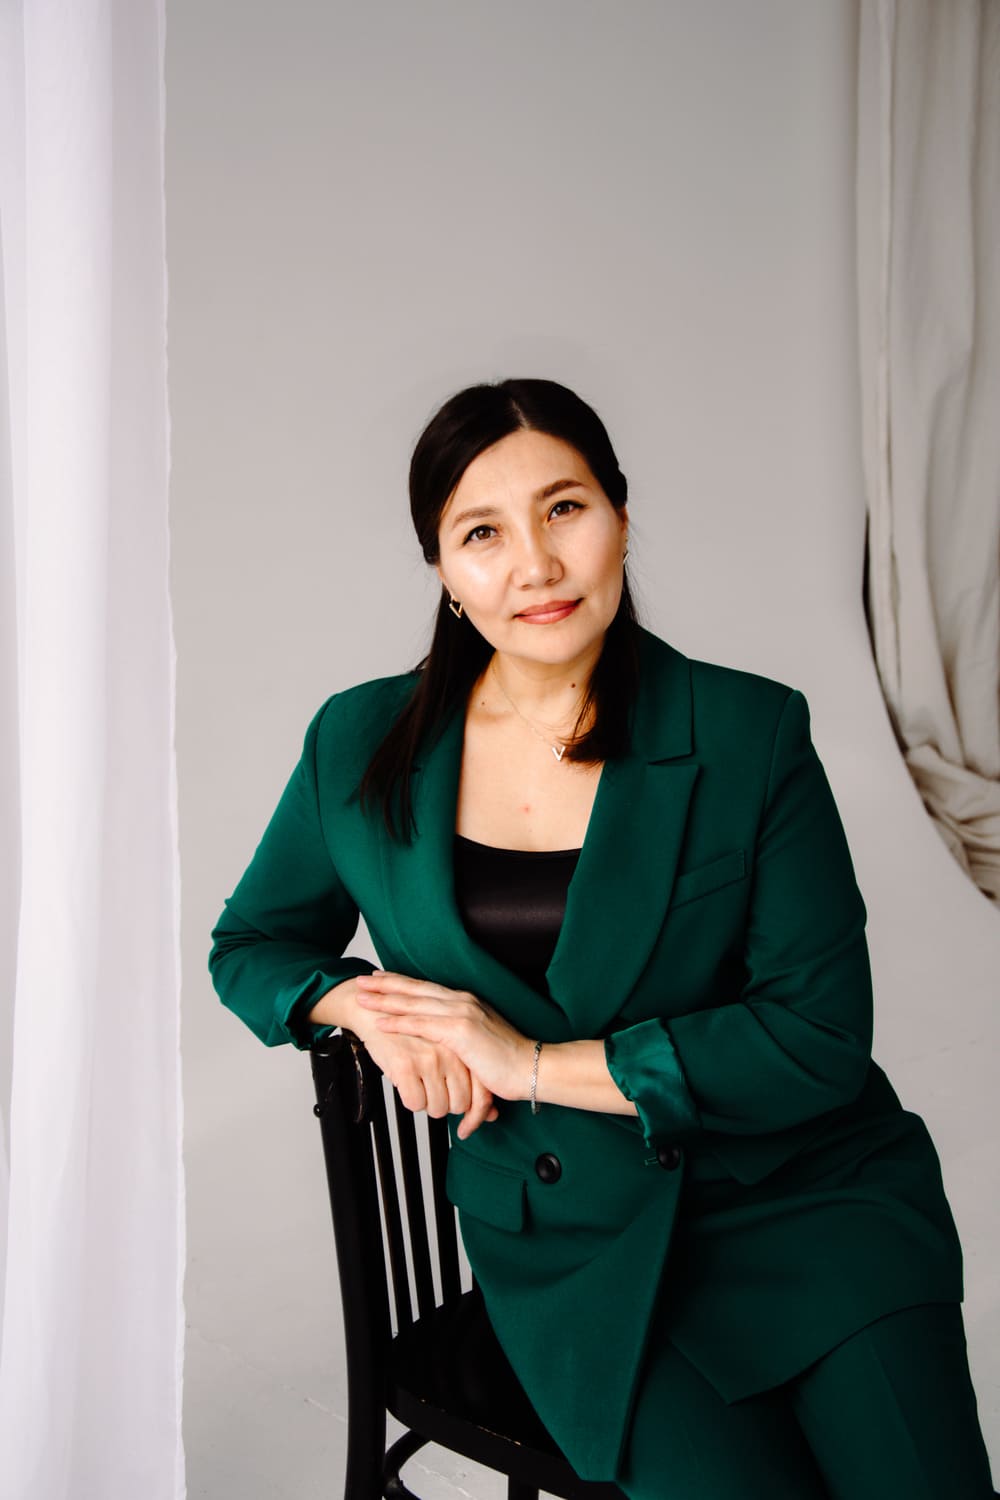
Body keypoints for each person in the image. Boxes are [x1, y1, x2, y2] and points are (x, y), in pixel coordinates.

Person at [207, 378, 996, 1499]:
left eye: (564, 509)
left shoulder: (748, 729)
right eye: (482, 533)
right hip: (576, 1241)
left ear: (621, 515)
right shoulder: (360, 740)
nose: (535, 564)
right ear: (442, 568)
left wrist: (525, 1061)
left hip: (807, 1203)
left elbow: (816, 1037)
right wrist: (364, 1008)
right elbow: (252, 943)